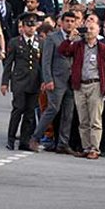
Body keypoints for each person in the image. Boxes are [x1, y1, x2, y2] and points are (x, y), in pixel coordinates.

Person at [58, 21, 105, 159]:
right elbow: (63, 51)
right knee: (83, 119)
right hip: (80, 85)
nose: (88, 31)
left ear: (98, 31)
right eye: (87, 28)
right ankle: (86, 147)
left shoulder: (103, 49)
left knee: (95, 119)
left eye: (92, 28)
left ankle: (95, 149)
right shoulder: (78, 46)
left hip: (95, 84)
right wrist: (70, 38)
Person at [28, 11, 78, 154]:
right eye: (67, 20)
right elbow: (46, 60)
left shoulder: (77, 38)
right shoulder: (52, 38)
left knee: (68, 112)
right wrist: (48, 79)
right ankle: (35, 138)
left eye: (72, 21)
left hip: (71, 80)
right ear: (61, 22)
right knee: (53, 109)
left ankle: (63, 143)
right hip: (56, 80)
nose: (69, 23)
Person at [1, 13, 42, 150]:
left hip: (34, 81)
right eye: (28, 26)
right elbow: (8, 64)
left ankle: (25, 141)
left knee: (30, 113)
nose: (31, 29)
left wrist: (43, 81)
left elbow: (43, 64)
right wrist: (4, 82)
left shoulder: (40, 42)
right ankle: (11, 138)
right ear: (22, 27)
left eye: (33, 25)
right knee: (18, 109)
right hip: (19, 81)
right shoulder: (15, 42)